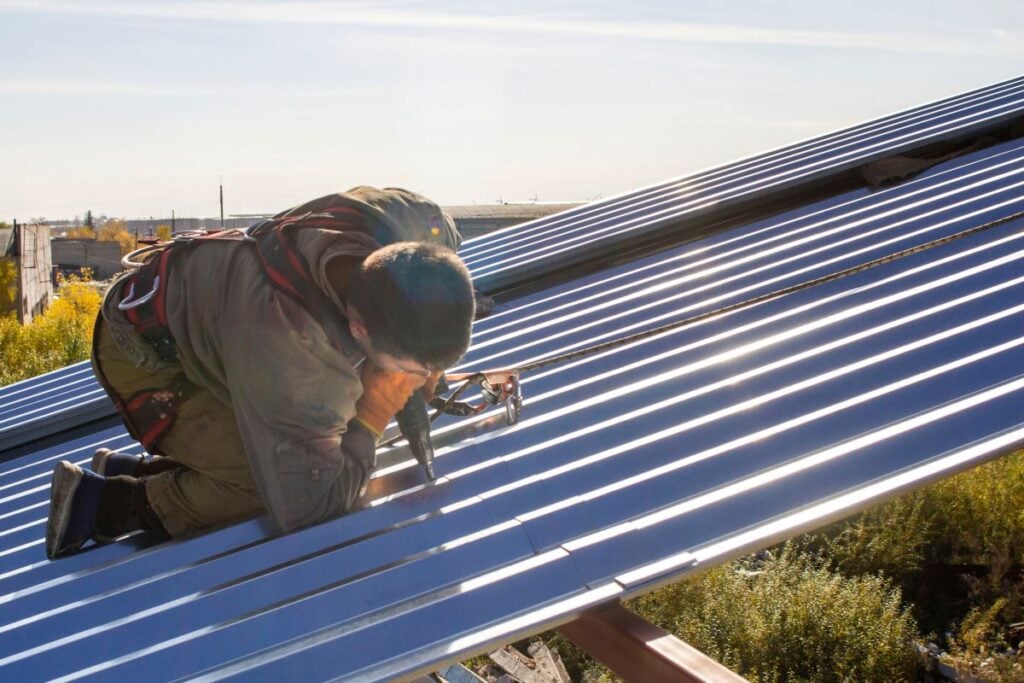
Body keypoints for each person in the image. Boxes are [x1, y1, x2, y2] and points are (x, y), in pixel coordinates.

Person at [45, 187, 475, 559]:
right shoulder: (293, 350)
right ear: (359, 329)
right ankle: (105, 503)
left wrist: (423, 355)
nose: (419, 379)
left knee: (324, 432)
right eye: (410, 370)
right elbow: (309, 506)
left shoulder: (404, 220)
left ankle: (138, 468)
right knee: (270, 484)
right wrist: (376, 408)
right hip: (148, 361)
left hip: (210, 309)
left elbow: (443, 240)